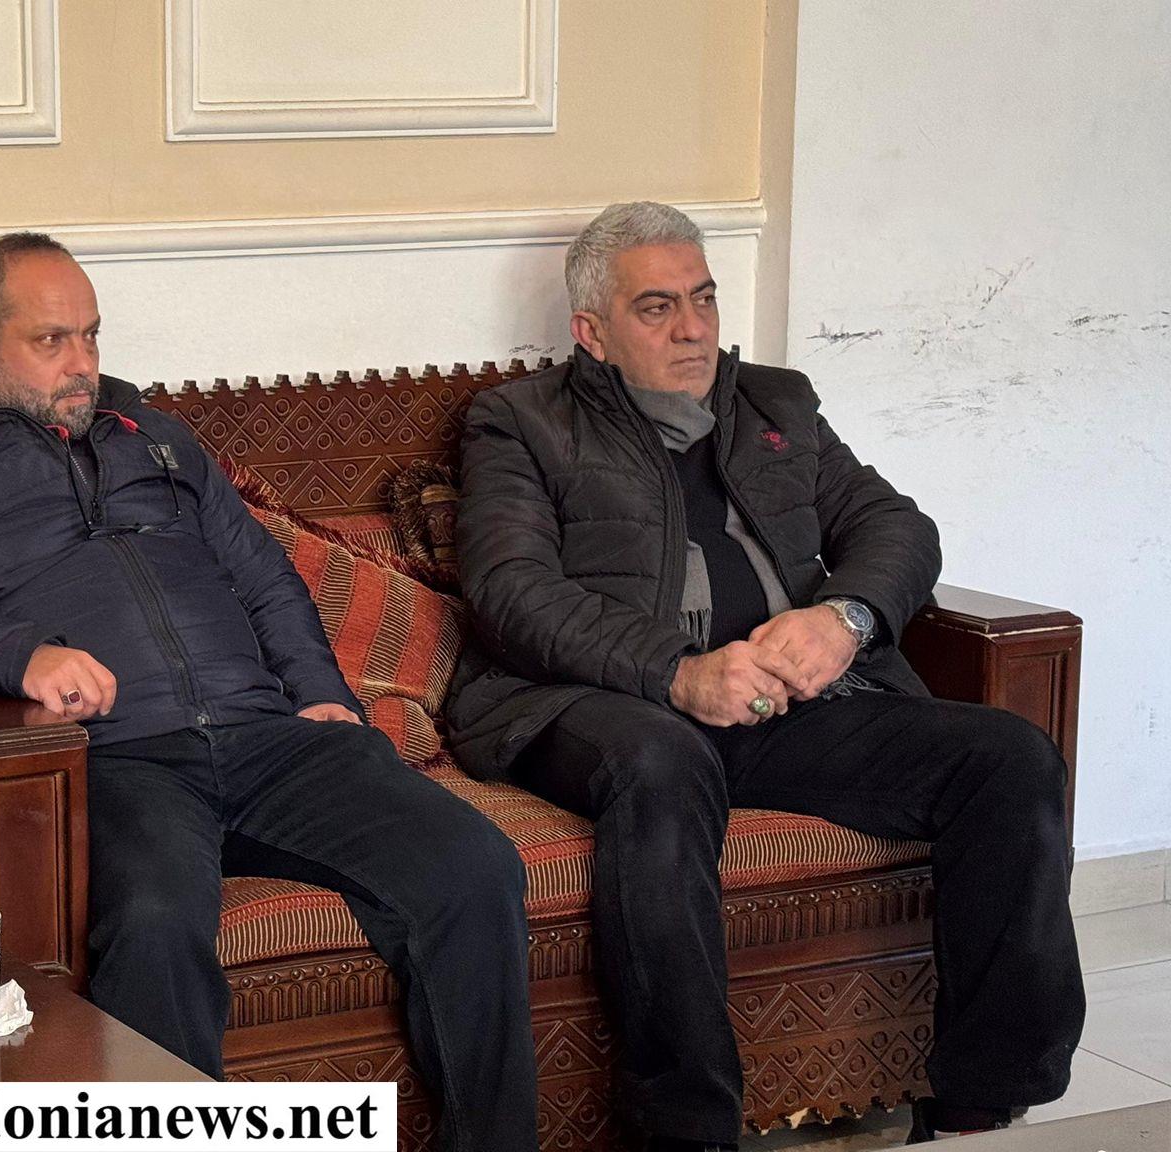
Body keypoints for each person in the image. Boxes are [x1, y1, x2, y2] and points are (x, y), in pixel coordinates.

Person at [0, 232, 537, 1150]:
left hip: (269, 739)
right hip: (121, 758)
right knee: (156, 924)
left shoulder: (160, 441)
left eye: (91, 335)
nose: (82, 364)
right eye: (51, 341)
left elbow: (265, 579)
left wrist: (322, 693)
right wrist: (22, 656)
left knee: (476, 866)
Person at [444, 202, 1084, 1148]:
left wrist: (844, 620)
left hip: (790, 705)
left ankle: (983, 1102)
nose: (693, 329)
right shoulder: (522, 422)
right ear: (592, 331)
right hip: (604, 703)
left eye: (703, 299)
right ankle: (687, 1125)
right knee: (664, 765)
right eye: (657, 307)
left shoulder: (776, 404)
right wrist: (679, 672)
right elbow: (512, 591)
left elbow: (897, 527)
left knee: (1011, 759)